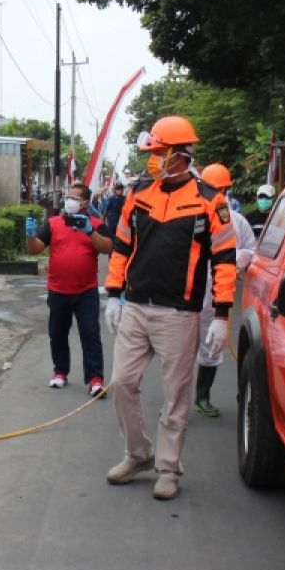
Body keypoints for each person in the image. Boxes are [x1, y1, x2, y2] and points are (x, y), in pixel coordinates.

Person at [102, 116, 237, 500]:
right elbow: (122, 246)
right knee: (123, 382)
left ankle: (168, 468)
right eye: (153, 152)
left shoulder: (211, 200)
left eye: (160, 153)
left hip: (180, 313)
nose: (153, 159)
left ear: (181, 155)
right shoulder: (139, 192)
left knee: (176, 394)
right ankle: (138, 453)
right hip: (136, 306)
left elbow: (225, 261)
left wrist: (222, 315)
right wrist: (114, 293)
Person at [25, 182, 114, 396]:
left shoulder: (96, 223)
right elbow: (37, 249)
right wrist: (30, 235)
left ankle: (95, 379)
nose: (69, 201)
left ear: (84, 202)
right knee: (58, 334)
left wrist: (90, 231)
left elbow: (108, 247)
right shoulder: (54, 223)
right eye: (68, 197)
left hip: (86, 291)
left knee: (90, 334)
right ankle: (60, 372)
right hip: (58, 289)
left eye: (74, 198)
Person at [192, 164, 256, 417]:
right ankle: (175, 400)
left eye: (221, 190)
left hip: (219, 294)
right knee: (180, 349)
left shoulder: (237, 221)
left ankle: (202, 396)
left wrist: (235, 258)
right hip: (188, 293)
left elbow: (251, 250)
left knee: (212, 346)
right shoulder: (192, 217)